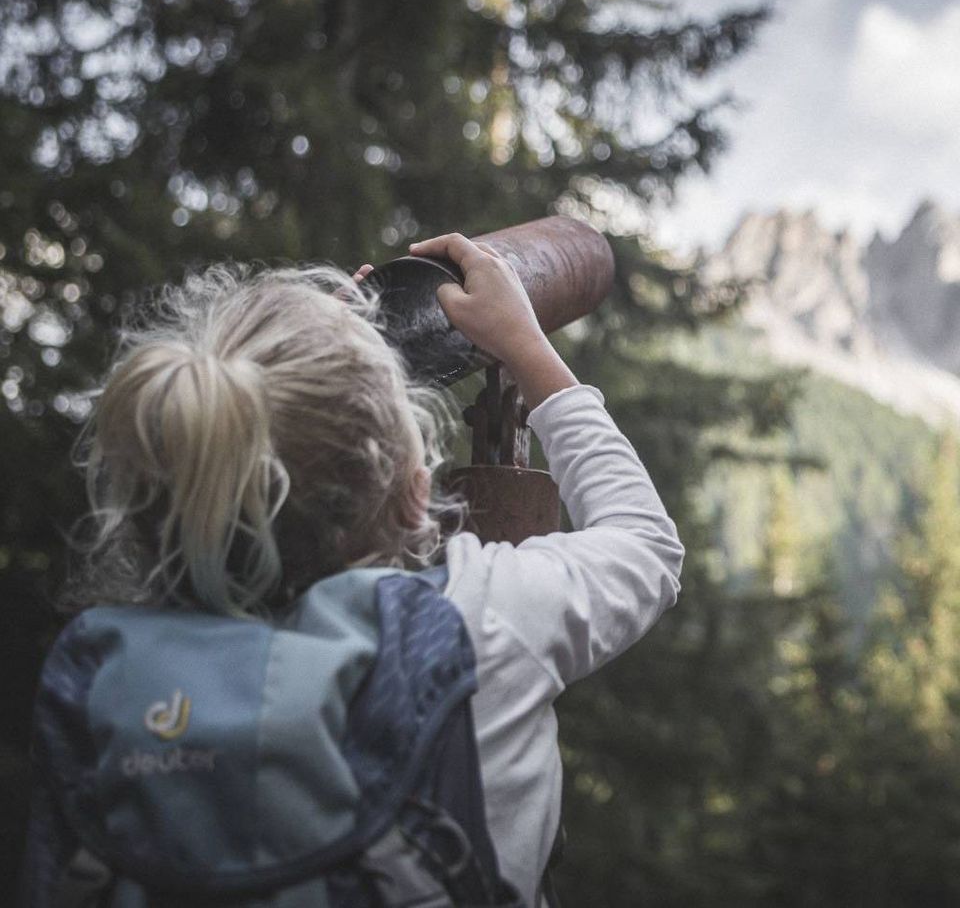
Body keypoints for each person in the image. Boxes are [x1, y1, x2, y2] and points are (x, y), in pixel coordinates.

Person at [27, 232, 684, 907]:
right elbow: (644, 543)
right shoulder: (477, 623)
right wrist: (527, 348)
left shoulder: (110, 673)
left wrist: (312, 363)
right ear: (413, 495)